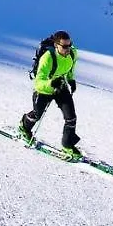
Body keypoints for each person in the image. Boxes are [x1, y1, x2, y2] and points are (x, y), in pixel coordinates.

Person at [19, 30, 82, 159]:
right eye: (64, 46)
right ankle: (24, 127)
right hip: (45, 89)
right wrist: (52, 83)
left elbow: (70, 68)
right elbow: (38, 82)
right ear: (56, 45)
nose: (68, 49)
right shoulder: (47, 57)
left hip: (61, 87)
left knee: (71, 118)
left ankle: (67, 145)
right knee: (36, 114)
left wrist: (71, 80)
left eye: (69, 45)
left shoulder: (73, 53)